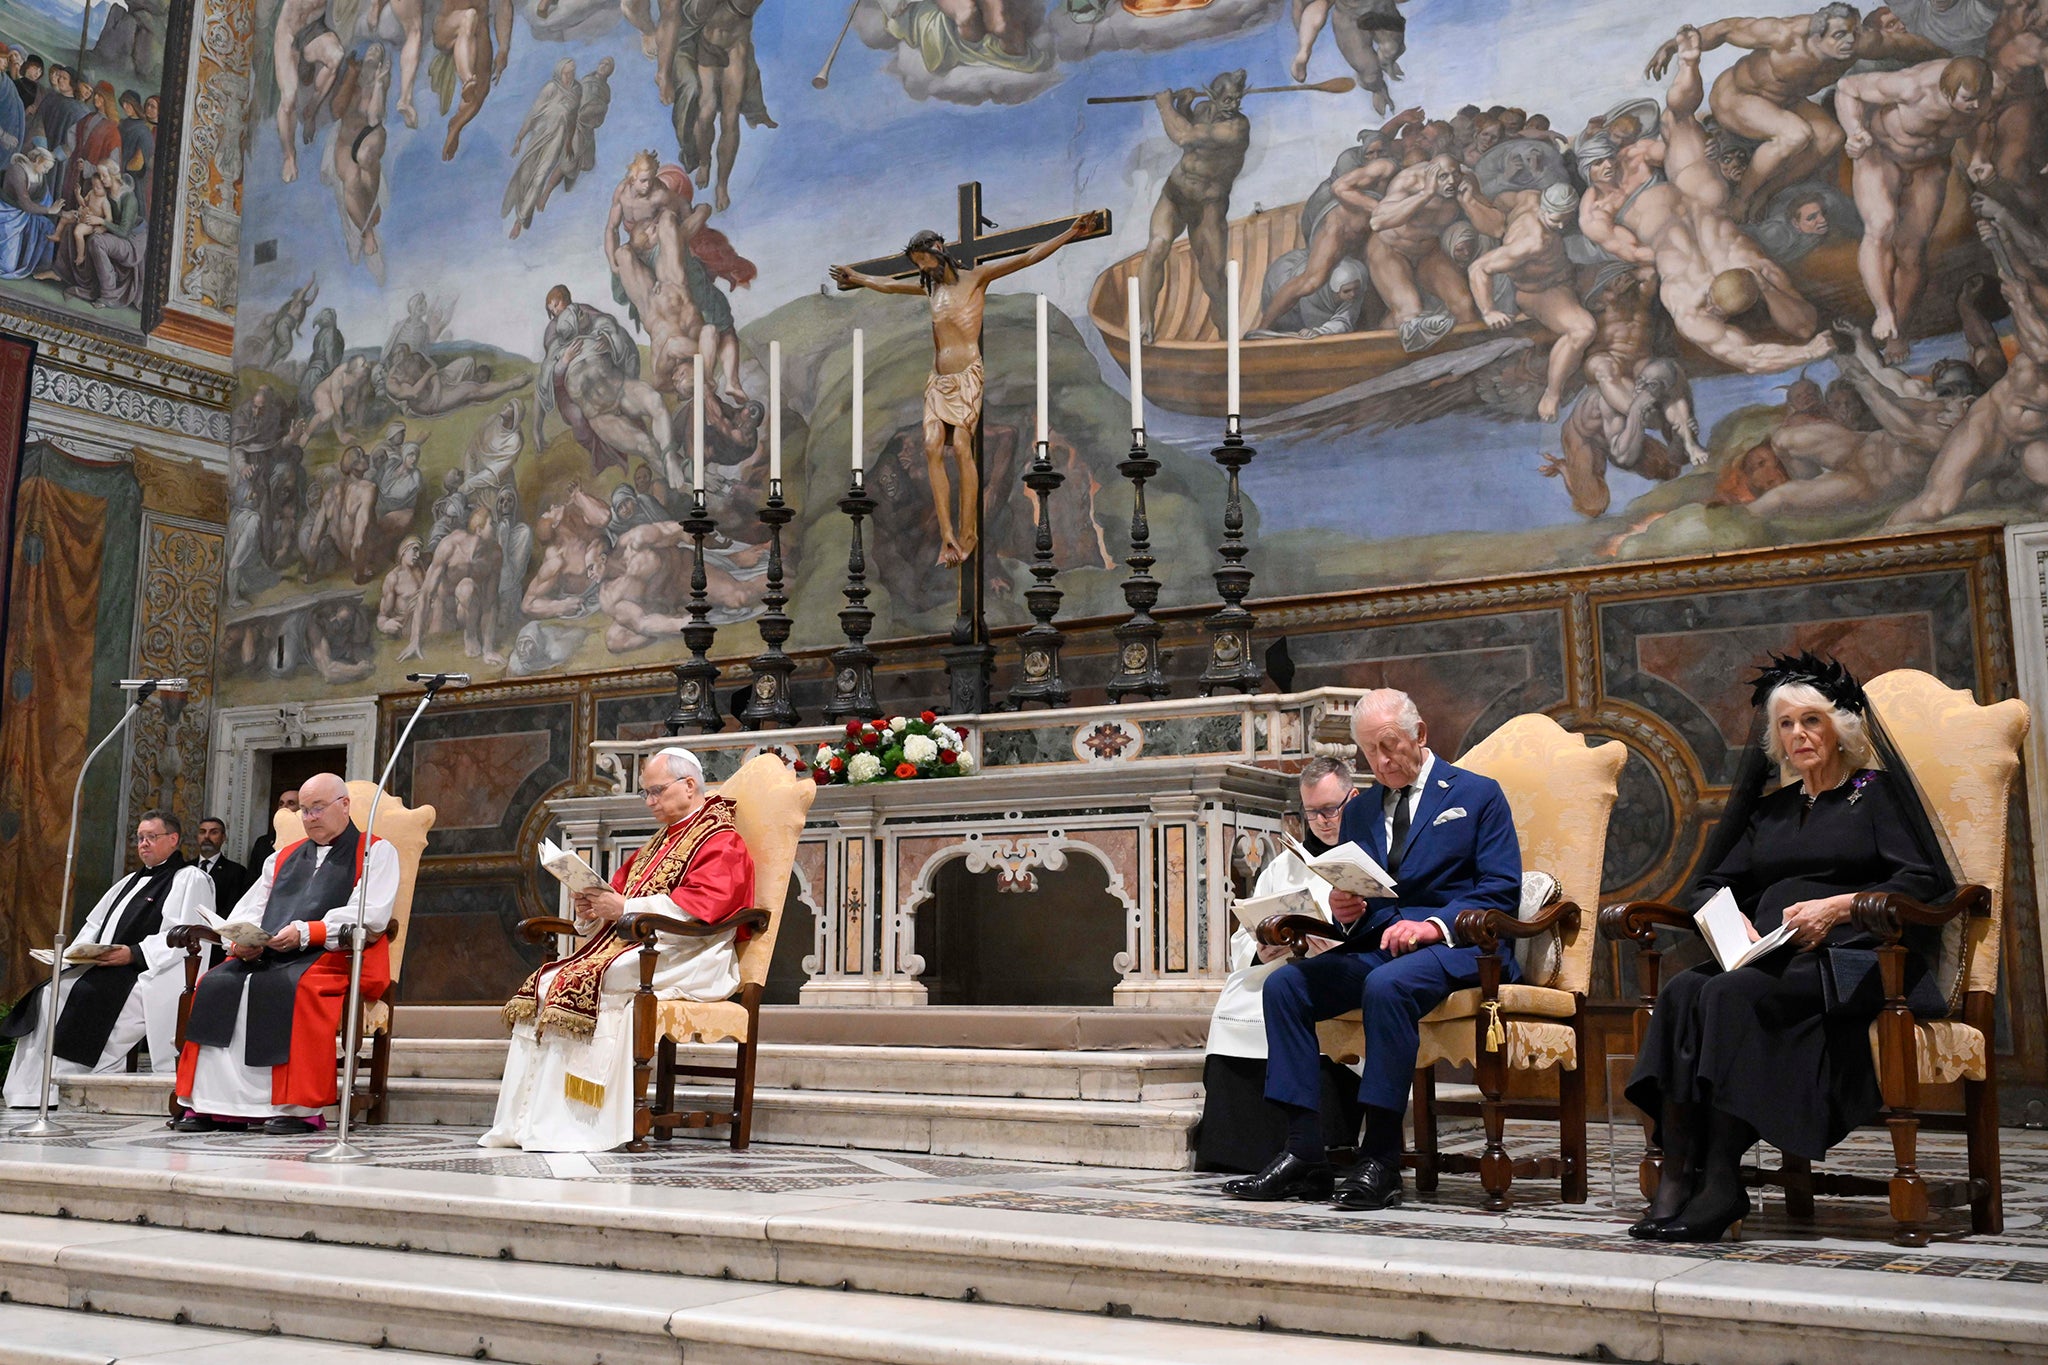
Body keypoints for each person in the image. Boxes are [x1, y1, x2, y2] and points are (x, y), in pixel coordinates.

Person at [1624, 654, 1956, 1243]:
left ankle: (1723, 1179)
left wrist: (1841, 907)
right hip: (1774, 954)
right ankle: (1678, 1172)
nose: (1798, 735)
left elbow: (1924, 883)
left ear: (1840, 730)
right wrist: (1736, 923)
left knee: (1726, 995)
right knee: (1682, 991)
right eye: (1785, 725)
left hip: (1861, 959)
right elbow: (1708, 882)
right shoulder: (1772, 810)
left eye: (1811, 721)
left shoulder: (1873, 796)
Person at [1223, 689, 1521, 1209]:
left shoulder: (1477, 795)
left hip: (1463, 946)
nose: (1381, 763)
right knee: (1288, 985)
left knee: (1386, 986)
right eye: (1369, 753)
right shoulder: (1360, 813)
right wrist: (1347, 909)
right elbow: (1372, 898)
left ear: (1420, 735)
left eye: (1390, 746)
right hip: (1381, 944)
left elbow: (1500, 891)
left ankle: (1380, 1157)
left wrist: (1431, 926)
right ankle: (1304, 1155)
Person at [481, 747, 755, 1152]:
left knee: (593, 978)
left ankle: (578, 1123)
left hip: (693, 953)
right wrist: (593, 908)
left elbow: (703, 908)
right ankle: (525, 1121)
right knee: (548, 980)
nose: (649, 802)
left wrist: (624, 908)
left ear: (690, 785)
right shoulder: (660, 842)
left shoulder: (720, 839)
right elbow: (619, 893)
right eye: (646, 793)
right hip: (644, 947)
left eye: (656, 791)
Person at [831, 209, 1103, 568]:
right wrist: (859, 278)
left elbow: (1026, 257)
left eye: (926, 261)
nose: (924, 270)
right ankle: (947, 535)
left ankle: (969, 532)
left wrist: (1068, 234)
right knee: (931, 447)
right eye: (919, 265)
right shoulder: (930, 291)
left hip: (965, 376)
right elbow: (887, 285)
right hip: (938, 379)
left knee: (960, 445)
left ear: (940, 248)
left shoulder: (975, 279)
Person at [174, 774, 400, 1134]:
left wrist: (306, 932)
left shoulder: (376, 852)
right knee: (215, 984)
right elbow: (253, 906)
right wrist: (240, 939)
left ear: (345, 805)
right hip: (268, 954)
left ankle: (296, 1108)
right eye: (305, 811)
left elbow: (370, 916)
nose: (309, 817)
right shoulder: (282, 857)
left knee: (291, 989)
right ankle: (212, 1105)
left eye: (318, 808)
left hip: (329, 957)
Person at [1197, 758, 1359, 1174]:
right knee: (1237, 998)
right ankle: (1236, 1151)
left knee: (1288, 995)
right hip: (1278, 966)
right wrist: (1260, 947)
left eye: (1331, 809)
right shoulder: (1284, 865)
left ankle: (1314, 1143)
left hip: (1337, 970)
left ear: (1352, 797)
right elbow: (1245, 931)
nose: (1322, 821)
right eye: (1311, 813)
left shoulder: (1367, 858)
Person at [1, 812, 214, 1106]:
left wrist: (134, 953)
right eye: (140, 838)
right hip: (109, 967)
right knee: (50, 993)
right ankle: (33, 1091)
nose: (143, 844)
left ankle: (63, 1085)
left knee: (75, 994)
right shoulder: (128, 881)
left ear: (173, 840)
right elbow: (95, 926)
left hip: (152, 971)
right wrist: (76, 953)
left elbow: (184, 932)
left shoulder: (189, 878)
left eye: (152, 837)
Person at [194, 816, 253, 911]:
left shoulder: (236, 872)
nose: (206, 836)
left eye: (214, 832)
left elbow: (234, 907)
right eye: (202, 832)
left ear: (223, 837)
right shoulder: (185, 868)